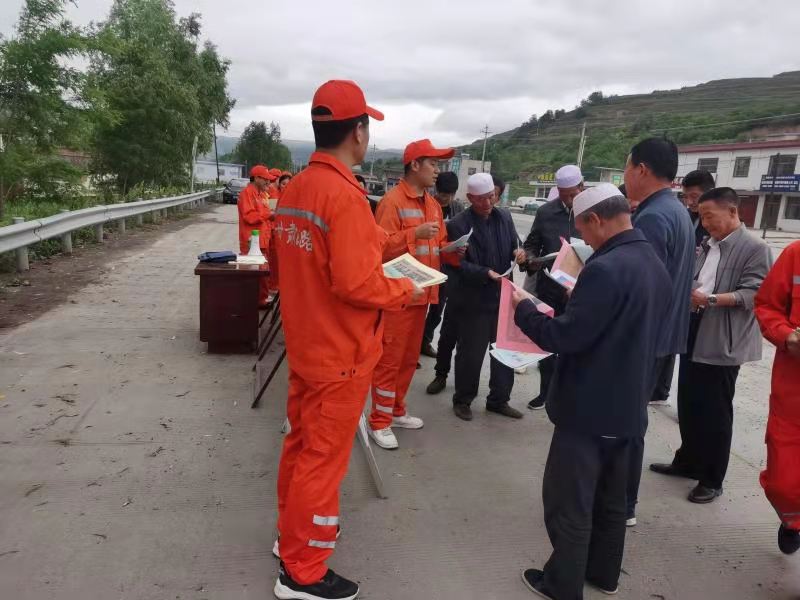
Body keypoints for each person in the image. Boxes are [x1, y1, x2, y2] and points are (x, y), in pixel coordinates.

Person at [272, 79, 419, 600]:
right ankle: (303, 572)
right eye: (366, 127)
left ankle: (290, 540)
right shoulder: (344, 195)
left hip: (308, 346)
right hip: (341, 354)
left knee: (300, 447)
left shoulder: (297, 188)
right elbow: (358, 283)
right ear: (358, 132)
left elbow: (287, 261)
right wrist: (406, 288)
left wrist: (398, 245)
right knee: (322, 461)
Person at [512, 183, 671, 600]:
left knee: (570, 502)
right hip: (629, 406)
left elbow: (565, 337)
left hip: (588, 408)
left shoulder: (604, 268)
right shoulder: (653, 262)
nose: (583, 239)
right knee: (611, 501)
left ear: (596, 220)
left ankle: (562, 584)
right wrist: (581, 298)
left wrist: (524, 308)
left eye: (583, 231)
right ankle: (604, 575)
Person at [650, 187, 771, 504]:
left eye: (708, 216)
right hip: (694, 327)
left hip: (723, 337)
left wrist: (711, 299)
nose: (704, 223)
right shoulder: (707, 244)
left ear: (732, 211)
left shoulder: (754, 248)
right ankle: (688, 461)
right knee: (689, 401)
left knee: (715, 411)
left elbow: (756, 293)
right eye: (701, 217)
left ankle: (712, 478)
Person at [368, 139, 460, 450]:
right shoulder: (392, 202)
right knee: (389, 360)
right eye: (433, 163)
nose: (437, 170)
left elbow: (439, 244)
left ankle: (396, 411)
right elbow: (379, 248)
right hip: (398, 297)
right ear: (415, 165)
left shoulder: (432, 205)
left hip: (423, 296)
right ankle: (378, 421)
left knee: (408, 360)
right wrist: (413, 234)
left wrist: (453, 250)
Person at [623, 137, 695, 525]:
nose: (625, 175)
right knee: (633, 419)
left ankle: (622, 504)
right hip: (663, 334)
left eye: (626, 166)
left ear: (642, 169)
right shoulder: (677, 210)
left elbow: (640, 287)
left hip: (643, 338)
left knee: (624, 422)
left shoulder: (652, 217)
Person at [447, 172, 527, 421]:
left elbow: (515, 244)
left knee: (504, 351)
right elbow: (456, 265)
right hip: (475, 299)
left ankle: (499, 400)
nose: (488, 202)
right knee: (471, 354)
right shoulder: (458, 224)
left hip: (503, 296)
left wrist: (519, 253)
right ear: (470, 198)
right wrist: (484, 273)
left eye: (491, 196)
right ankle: (463, 399)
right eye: (481, 199)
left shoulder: (504, 216)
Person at [520, 165, 584, 411]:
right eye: (564, 195)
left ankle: (570, 395)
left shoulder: (593, 210)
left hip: (582, 289)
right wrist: (530, 258)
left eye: (573, 194)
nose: (569, 200)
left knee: (576, 344)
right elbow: (531, 243)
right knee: (548, 341)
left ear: (582, 187)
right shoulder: (546, 212)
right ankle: (545, 393)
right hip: (550, 287)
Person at [755, 240, 800, 555]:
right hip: (793, 393)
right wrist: (787, 336)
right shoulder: (795, 254)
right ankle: (792, 520)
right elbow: (767, 306)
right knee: (783, 483)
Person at [421, 171, 462, 361]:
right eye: (444, 195)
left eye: (451, 195)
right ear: (436, 190)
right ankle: (411, 346)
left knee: (437, 308)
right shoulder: (426, 204)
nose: (448, 199)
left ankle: (424, 341)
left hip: (446, 265)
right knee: (418, 308)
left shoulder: (457, 208)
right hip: (426, 263)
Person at [237, 164, 277, 306]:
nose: (268, 182)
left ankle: (261, 299)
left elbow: (264, 214)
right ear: (256, 178)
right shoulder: (246, 193)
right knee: (255, 273)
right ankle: (255, 301)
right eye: (265, 179)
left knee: (262, 272)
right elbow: (249, 216)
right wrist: (268, 214)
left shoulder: (260, 194)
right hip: (252, 242)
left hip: (262, 240)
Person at [682, 169, 714, 248]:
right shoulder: (684, 216)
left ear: (711, 193)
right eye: (685, 197)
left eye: (694, 196)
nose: (689, 202)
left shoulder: (721, 221)